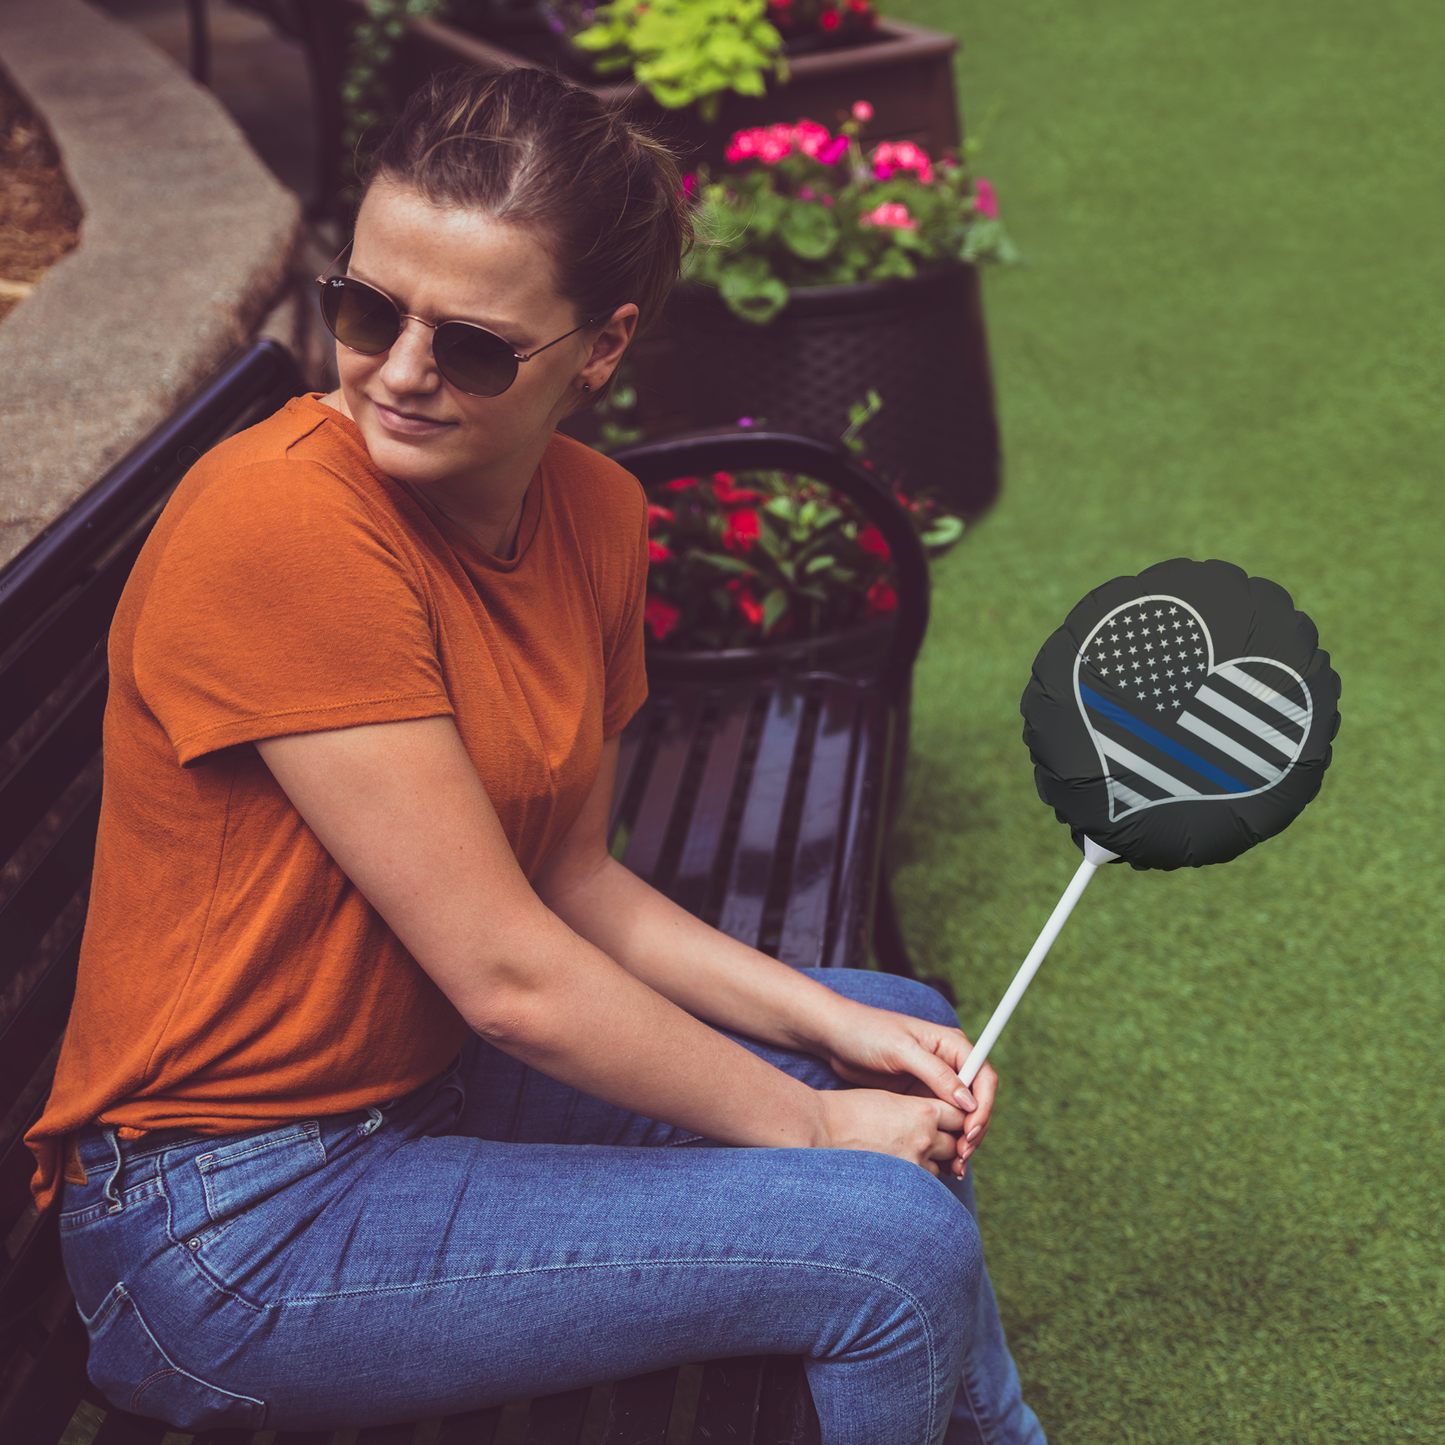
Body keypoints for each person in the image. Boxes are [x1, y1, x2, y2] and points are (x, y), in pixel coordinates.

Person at [27, 67, 1044, 1445]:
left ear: (603, 349)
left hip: (410, 1087)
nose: (399, 372)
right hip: (226, 1228)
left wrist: (834, 1034)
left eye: (474, 346)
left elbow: (570, 880)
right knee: (885, 1242)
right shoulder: (283, 529)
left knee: (887, 1049)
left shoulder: (594, 513)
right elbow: (509, 974)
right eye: (369, 311)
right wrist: (811, 1136)